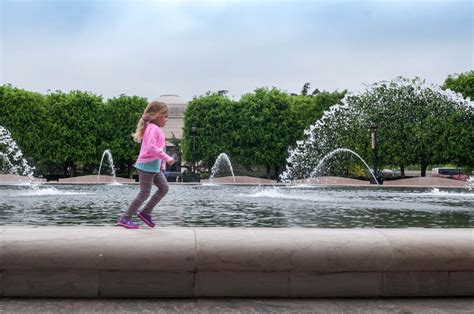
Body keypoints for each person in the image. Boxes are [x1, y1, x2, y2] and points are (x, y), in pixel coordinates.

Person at [117, 101, 174, 229]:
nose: (166, 120)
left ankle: (145, 212)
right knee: (144, 193)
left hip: (154, 167)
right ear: (158, 116)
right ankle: (125, 218)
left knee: (164, 188)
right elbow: (151, 147)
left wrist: (162, 166)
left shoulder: (155, 128)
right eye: (165, 117)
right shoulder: (153, 128)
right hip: (147, 166)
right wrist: (167, 158)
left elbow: (158, 149)